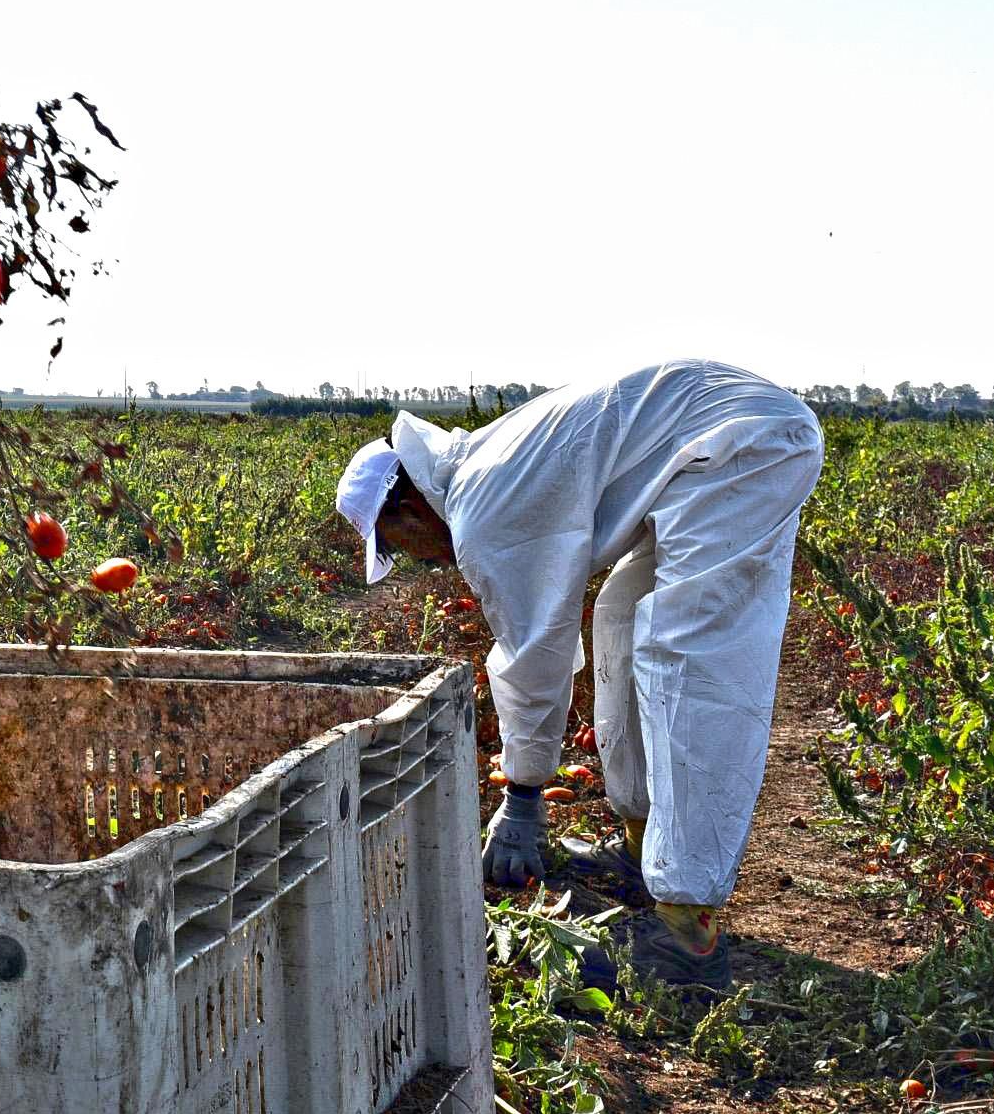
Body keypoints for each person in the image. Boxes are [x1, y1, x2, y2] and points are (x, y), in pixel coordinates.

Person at [335, 360, 824, 993]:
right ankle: (644, 846)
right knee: (622, 615)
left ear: (407, 506)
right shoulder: (483, 471)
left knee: (688, 657)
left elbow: (533, 653)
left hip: (741, 442)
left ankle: (686, 926)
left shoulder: (483, 506)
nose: (415, 559)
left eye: (398, 544)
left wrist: (523, 795)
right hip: (713, 439)